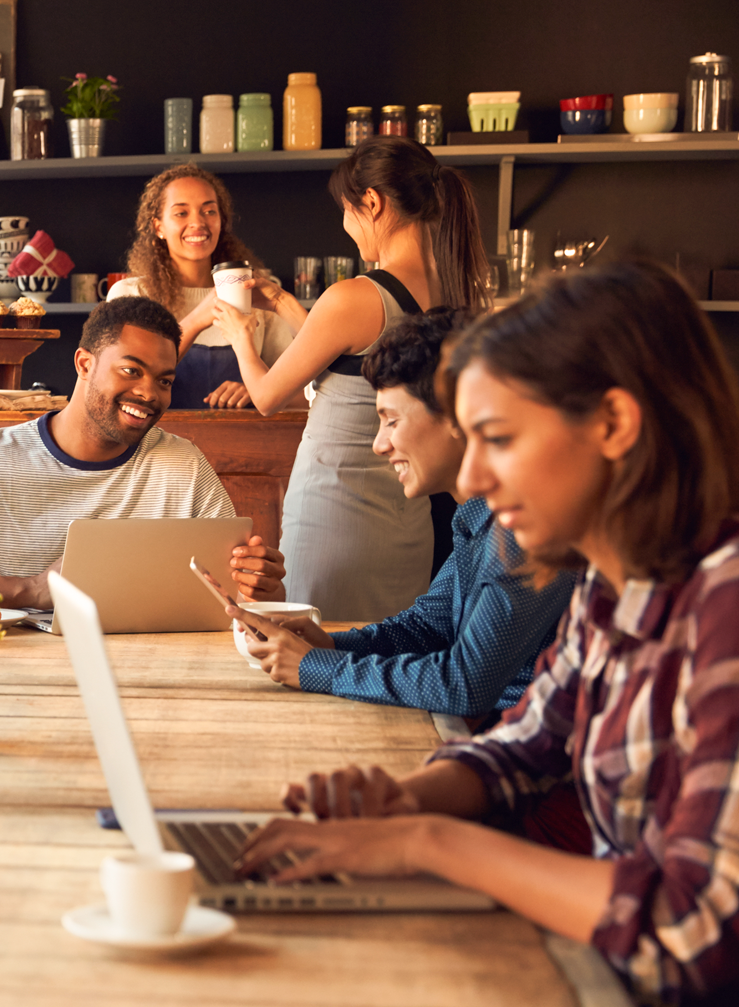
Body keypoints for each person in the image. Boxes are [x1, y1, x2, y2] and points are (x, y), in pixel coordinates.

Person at [235, 263, 739, 1005]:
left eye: (497, 438)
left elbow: (693, 934)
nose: (474, 476)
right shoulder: (613, 582)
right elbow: (526, 746)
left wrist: (426, 841)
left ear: (613, 425)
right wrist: (401, 799)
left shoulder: (723, 602)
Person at [236, 309, 577, 723]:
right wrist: (329, 645)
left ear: (458, 416)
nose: (379, 445)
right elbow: (426, 628)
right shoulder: (478, 515)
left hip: (528, 755)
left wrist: (314, 667)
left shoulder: (526, 525)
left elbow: (465, 685)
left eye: (391, 421)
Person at [214, 136, 490, 621]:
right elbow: (357, 361)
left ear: (372, 202)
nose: (346, 226)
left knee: (321, 654)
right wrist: (281, 303)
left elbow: (265, 396)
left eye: (346, 210)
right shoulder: (453, 289)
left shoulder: (355, 296)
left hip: (335, 513)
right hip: (408, 522)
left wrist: (240, 333)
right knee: (389, 657)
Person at [0, 296, 286, 610]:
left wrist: (263, 583)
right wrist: (32, 589)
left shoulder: (183, 466)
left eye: (163, 380)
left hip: (155, 676)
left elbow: (243, 594)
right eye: (131, 371)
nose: (149, 393)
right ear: (84, 364)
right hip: (15, 680)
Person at [107, 165, 298, 410]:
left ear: (221, 222)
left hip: (244, 445)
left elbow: (307, 394)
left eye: (209, 211)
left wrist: (257, 390)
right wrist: (198, 318)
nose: (198, 222)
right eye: (181, 213)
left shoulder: (255, 295)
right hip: (155, 445)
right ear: (158, 227)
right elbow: (120, 384)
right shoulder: (130, 295)